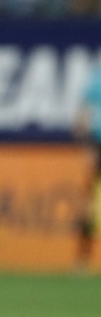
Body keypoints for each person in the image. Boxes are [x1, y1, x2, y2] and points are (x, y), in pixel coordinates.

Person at [74, 62, 101, 269]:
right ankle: (83, 260)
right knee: (90, 206)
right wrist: (87, 146)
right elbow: (82, 118)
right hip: (98, 146)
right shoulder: (96, 80)